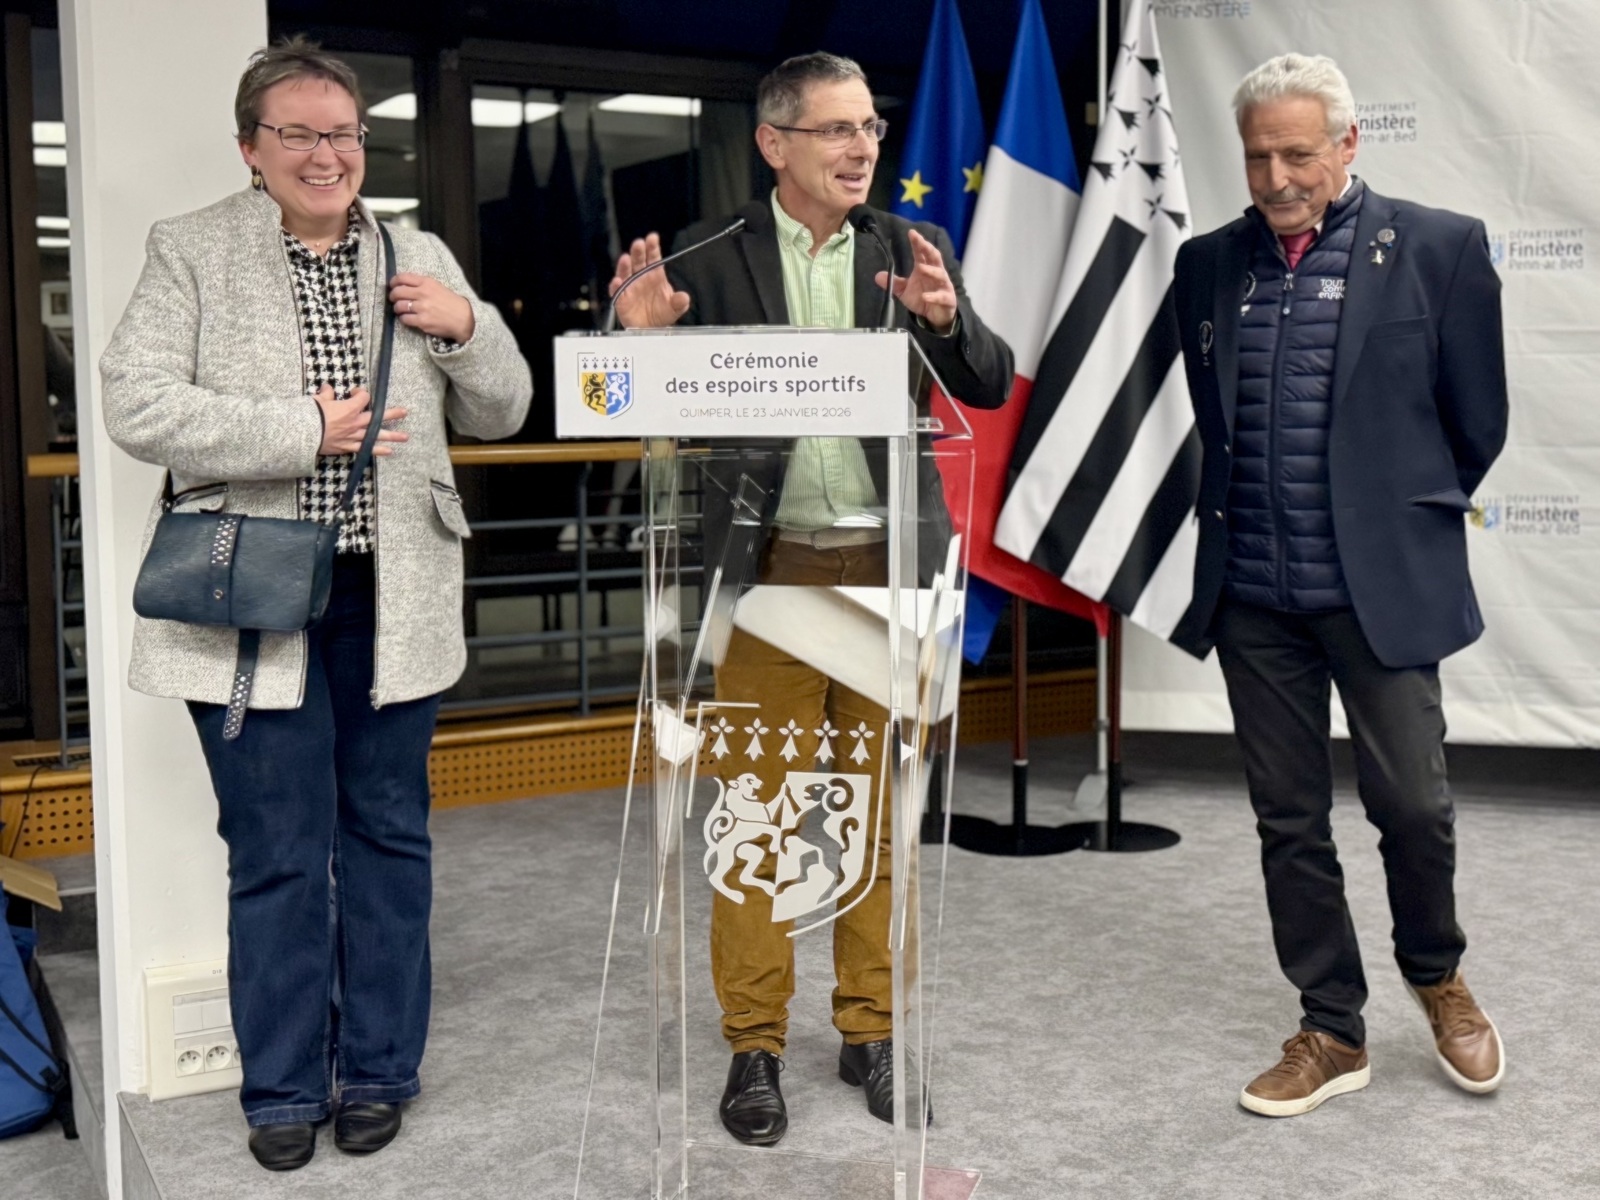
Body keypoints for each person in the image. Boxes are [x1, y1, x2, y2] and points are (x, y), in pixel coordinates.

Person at [100, 38, 531, 1170]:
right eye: (297, 133)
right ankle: (283, 1088)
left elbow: (504, 409)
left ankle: (380, 1071)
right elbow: (135, 403)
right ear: (252, 148)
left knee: (387, 835)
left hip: (397, 596)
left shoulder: (416, 252)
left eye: (342, 132)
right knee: (278, 850)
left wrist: (467, 327)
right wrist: (304, 428)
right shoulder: (192, 248)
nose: (325, 153)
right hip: (253, 593)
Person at [608, 51, 1012, 1146]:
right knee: (763, 825)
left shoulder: (908, 248)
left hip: (889, 574)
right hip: (767, 578)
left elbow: (984, 381)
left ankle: (871, 1032)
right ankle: (754, 1045)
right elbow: (619, 401)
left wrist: (943, 321)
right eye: (836, 129)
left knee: (879, 818)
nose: (861, 147)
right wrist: (637, 342)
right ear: (773, 143)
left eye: (869, 127)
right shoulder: (706, 254)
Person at [1172, 53, 1508, 1118]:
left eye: (1298, 154)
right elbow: (1215, 420)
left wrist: (1387, 518)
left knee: (1413, 806)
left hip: (1381, 592)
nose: (1276, 177)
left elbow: (1477, 423)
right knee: (1288, 819)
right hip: (1253, 597)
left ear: (1348, 145)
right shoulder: (1205, 265)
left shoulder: (1440, 249)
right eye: (1257, 156)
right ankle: (1331, 1026)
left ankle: (1437, 975)